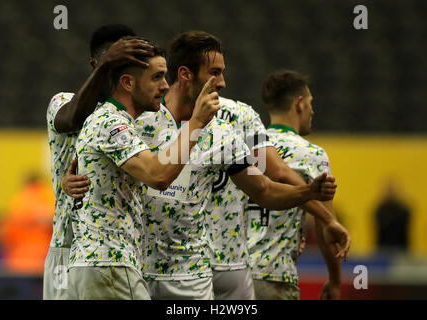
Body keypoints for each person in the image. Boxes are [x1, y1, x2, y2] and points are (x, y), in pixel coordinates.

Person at [63, 31, 348, 300]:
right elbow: (94, 150)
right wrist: (68, 180)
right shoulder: (137, 118)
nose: (222, 82)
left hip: (192, 275)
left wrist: (308, 194)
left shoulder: (221, 132)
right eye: (215, 73)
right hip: (135, 266)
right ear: (186, 74)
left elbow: (264, 190)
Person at [67, 37, 220, 300]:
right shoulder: (111, 123)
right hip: (111, 265)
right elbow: (158, 176)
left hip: (97, 265)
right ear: (128, 82)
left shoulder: (108, 121)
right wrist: (196, 123)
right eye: (157, 77)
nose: (164, 85)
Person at [44, 24, 154, 300]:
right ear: (95, 64)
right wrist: (107, 65)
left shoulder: (140, 116)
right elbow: (70, 121)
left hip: (122, 249)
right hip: (68, 248)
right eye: (112, 63)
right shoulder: (63, 102)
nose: (119, 71)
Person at [247, 69, 343, 300]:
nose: (313, 110)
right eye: (310, 102)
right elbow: (325, 226)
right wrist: (336, 280)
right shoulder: (311, 155)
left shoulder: (248, 146)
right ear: (299, 104)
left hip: (232, 275)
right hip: (275, 277)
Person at [375, 179, 411, 252]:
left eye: (392, 190)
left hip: (401, 250)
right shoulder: (379, 210)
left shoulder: (404, 210)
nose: (391, 194)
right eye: (389, 191)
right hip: (383, 250)